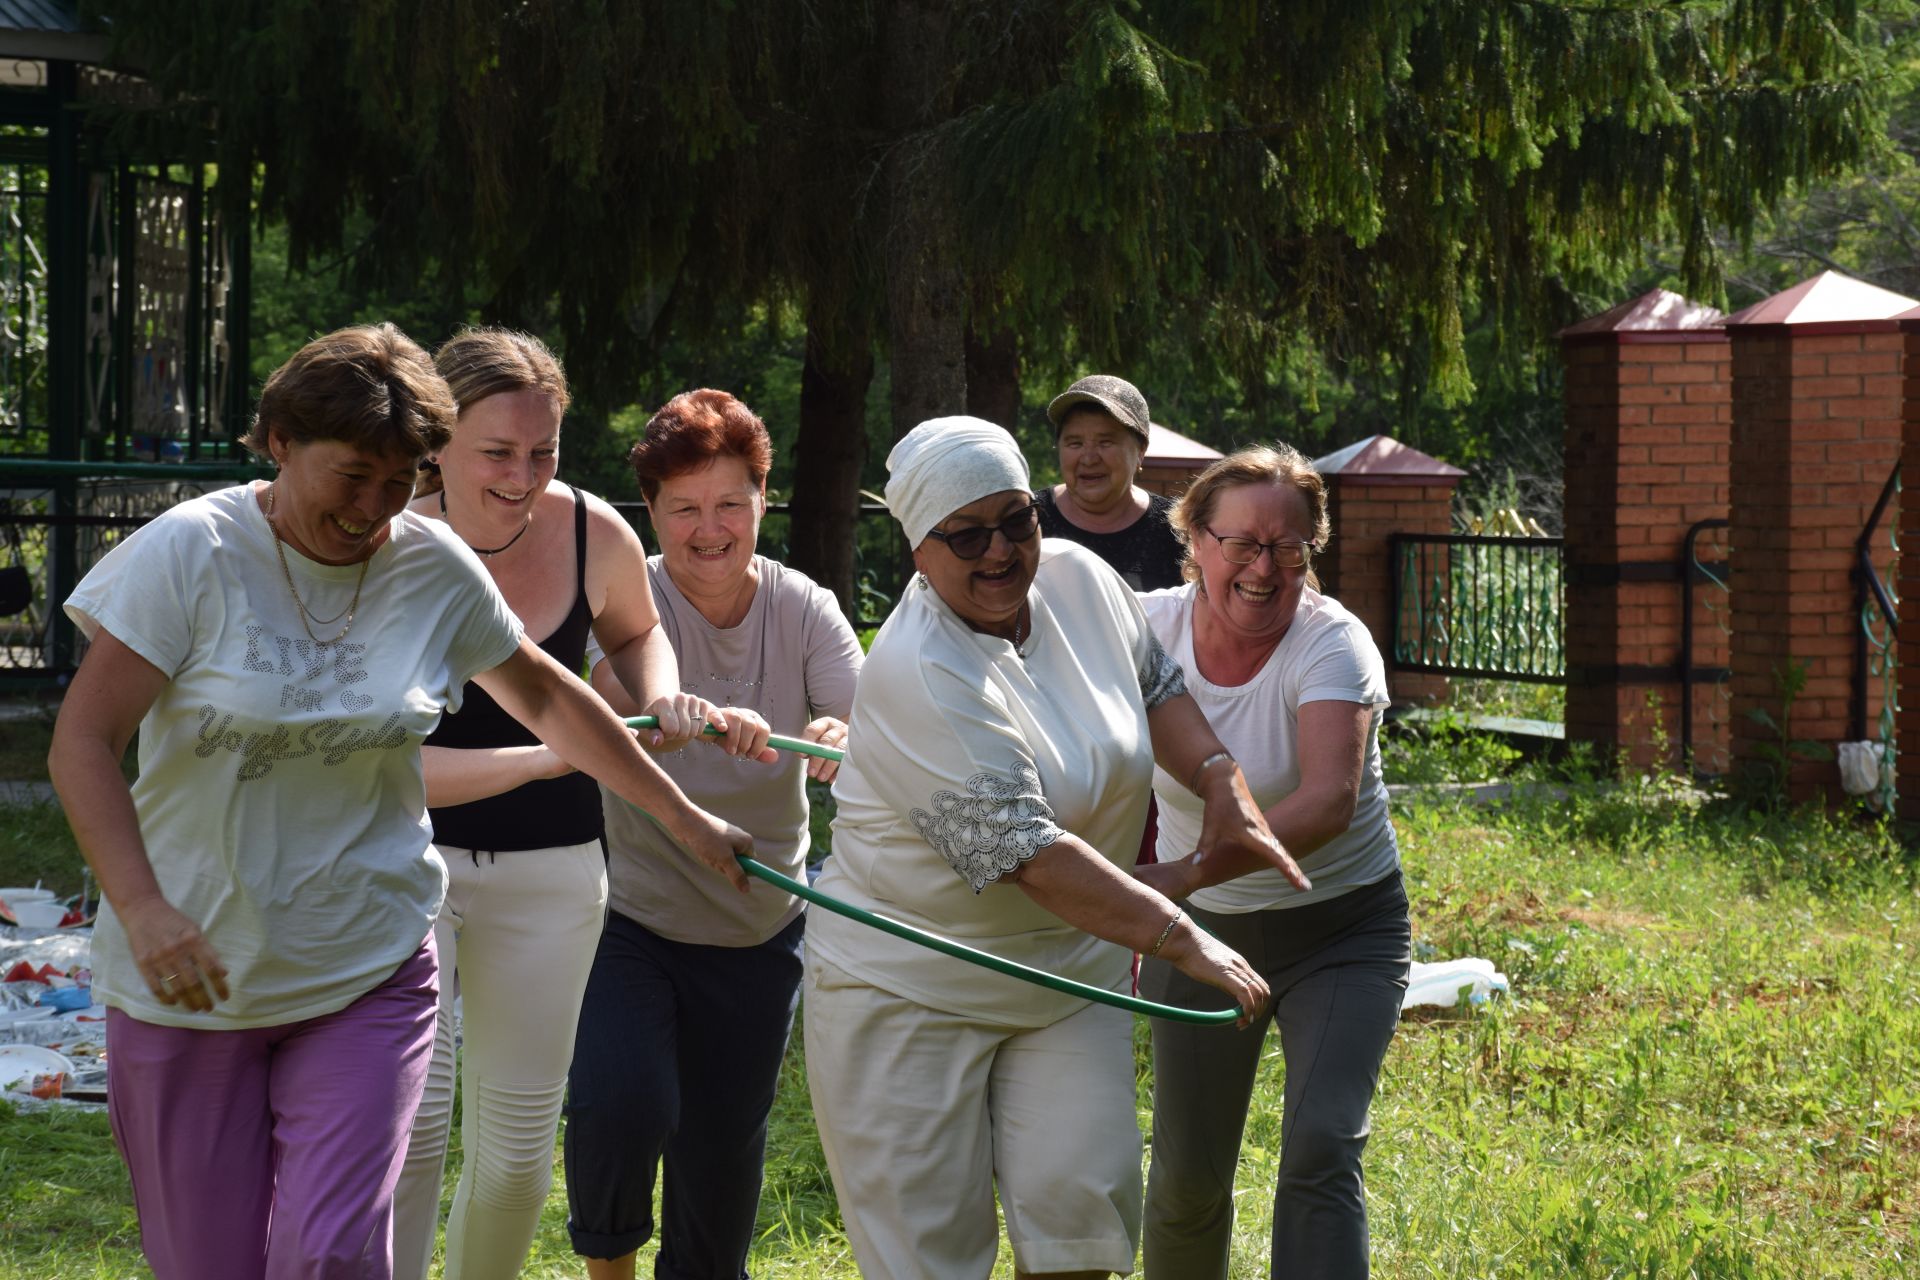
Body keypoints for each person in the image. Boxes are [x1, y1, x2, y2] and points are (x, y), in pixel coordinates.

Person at [47, 324, 754, 1280]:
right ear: (281, 442)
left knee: (333, 1257)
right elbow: (85, 743)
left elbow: (546, 692)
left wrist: (684, 817)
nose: (375, 508)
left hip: (367, 964)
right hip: (195, 978)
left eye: (398, 478)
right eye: (352, 476)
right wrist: (141, 909)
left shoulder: (427, 562)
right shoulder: (191, 552)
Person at [803, 415, 1309, 1280]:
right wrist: (1186, 937)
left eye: (1016, 520)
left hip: (1070, 973)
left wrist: (1221, 778)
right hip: (910, 987)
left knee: (1083, 1222)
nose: (999, 550)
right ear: (919, 550)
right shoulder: (920, 670)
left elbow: (1156, 686)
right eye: (967, 535)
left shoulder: (1082, 579)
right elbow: (1032, 855)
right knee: (930, 1257)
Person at [391, 332, 770, 1280]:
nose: (524, 477)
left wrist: (660, 691)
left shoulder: (591, 530)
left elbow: (638, 636)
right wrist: (539, 758)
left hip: (555, 874)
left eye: (544, 451)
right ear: (436, 440)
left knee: (517, 1160)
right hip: (404, 867)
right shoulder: (387, 527)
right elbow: (384, 766)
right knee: (412, 1134)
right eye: (498, 452)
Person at [564, 388, 864, 1279]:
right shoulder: (629, 596)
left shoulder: (802, 606)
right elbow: (582, 710)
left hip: (758, 926)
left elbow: (870, 723)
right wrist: (660, 704)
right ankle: (608, 1267)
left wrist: (842, 737)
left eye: (731, 502)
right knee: (622, 1105)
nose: (710, 528)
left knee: (722, 1160)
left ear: (763, 500)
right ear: (650, 511)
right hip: (636, 921)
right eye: (685, 507)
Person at [1133, 444, 1411, 1280]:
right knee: (1187, 1174)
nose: (1264, 567)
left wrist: (1180, 877)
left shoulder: (1334, 645)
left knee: (1323, 1144)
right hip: (1204, 938)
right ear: (1195, 540)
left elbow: (1327, 802)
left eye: (1288, 548)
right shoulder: (1143, 629)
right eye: (1242, 544)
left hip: (1344, 932)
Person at [1034, 374, 1184, 592]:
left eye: (1106, 442)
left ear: (1141, 450)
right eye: (1075, 443)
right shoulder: (1028, 521)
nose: (1089, 458)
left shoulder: (1177, 529)